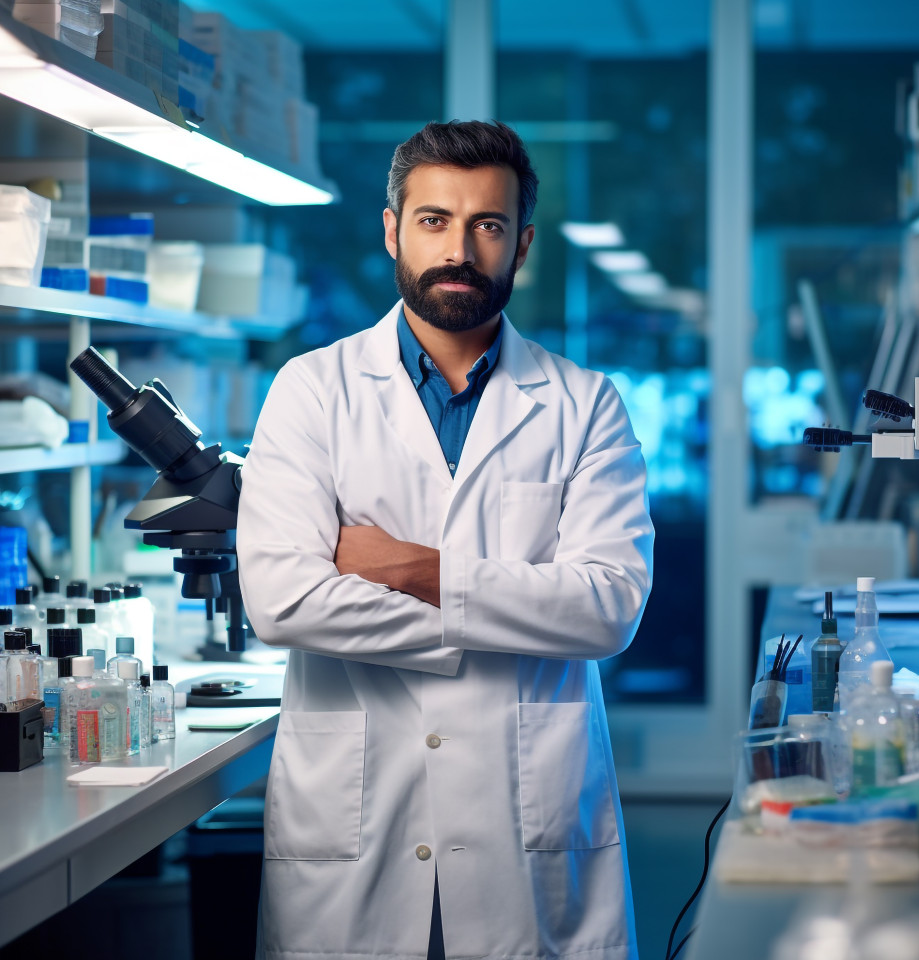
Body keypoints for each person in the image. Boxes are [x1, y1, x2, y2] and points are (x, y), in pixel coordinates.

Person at [236, 119, 654, 960]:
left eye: (487, 226)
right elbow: (283, 602)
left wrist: (407, 567)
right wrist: (510, 614)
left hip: (523, 822)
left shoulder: (585, 404)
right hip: (358, 820)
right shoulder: (314, 391)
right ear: (393, 229)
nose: (459, 248)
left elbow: (607, 611)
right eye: (434, 221)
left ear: (521, 244)